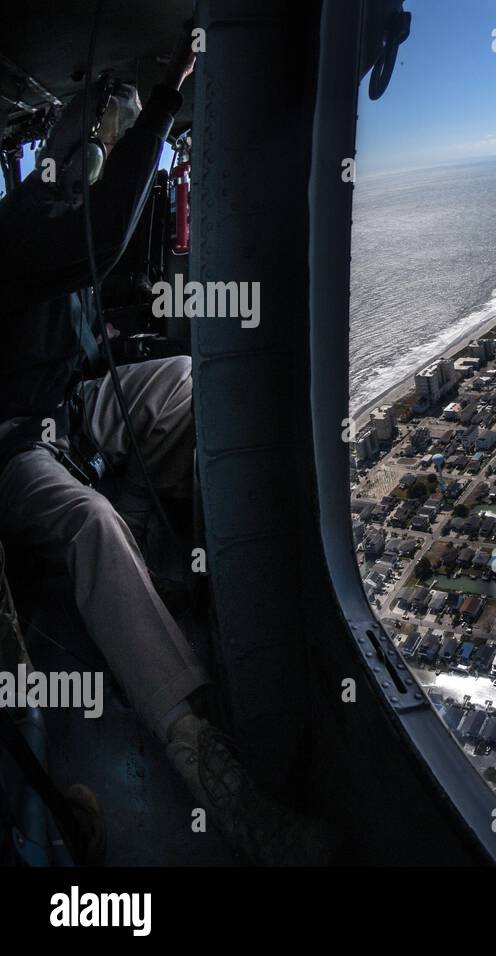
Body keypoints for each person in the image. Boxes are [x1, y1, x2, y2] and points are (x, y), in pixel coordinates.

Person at [0, 27, 327, 864]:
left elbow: (82, 265)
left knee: (184, 381)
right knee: (86, 523)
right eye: (91, 135)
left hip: (61, 409)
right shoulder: (23, 221)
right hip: (5, 444)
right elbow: (102, 234)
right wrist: (165, 98)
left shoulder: (43, 207)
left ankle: (163, 535)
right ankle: (199, 753)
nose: (97, 147)